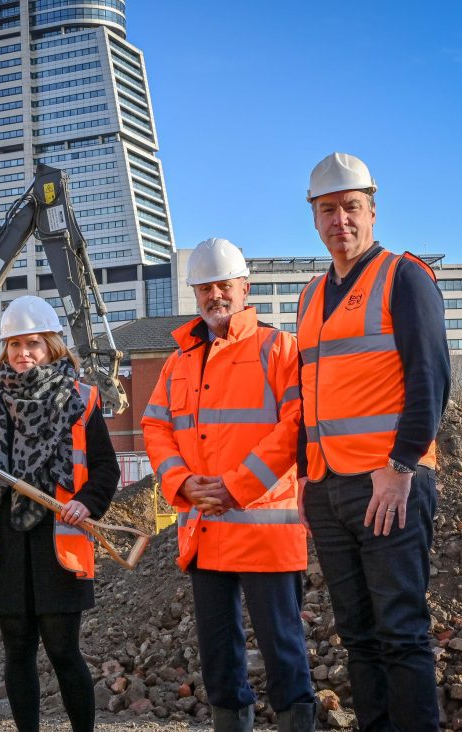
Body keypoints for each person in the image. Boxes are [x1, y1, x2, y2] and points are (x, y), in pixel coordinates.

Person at [295, 152, 450, 731]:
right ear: (314, 217)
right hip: (329, 488)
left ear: (372, 211)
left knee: (402, 631)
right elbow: (309, 394)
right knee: (358, 635)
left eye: (351, 208)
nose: (341, 221)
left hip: (389, 483)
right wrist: (308, 482)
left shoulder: (404, 277)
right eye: (329, 210)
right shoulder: (311, 296)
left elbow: (430, 377)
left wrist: (402, 465)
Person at [141, 238, 317, 732]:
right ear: (194, 291)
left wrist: (235, 488)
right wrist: (181, 482)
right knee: (218, 654)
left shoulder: (278, 348)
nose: (215, 295)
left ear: (244, 288)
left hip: (265, 533)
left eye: (224, 285)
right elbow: (155, 426)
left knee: (283, 649)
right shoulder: (179, 363)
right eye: (205, 287)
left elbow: (296, 425)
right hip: (205, 532)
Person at [0, 295, 119, 732]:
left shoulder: (80, 398)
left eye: (34, 344)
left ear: (52, 348)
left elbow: (105, 467)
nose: (23, 353)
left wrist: (88, 502)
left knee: (63, 649)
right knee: (17, 650)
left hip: (58, 537)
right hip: (4, 544)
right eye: (15, 345)